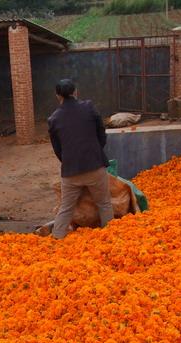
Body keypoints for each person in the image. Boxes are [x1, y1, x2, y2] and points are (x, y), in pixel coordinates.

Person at [47, 79, 113, 239]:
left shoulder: (53, 119)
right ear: (75, 92)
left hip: (70, 173)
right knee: (104, 204)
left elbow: (58, 150)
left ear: (58, 96)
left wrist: (70, 161)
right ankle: (111, 237)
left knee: (66, 208)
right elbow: (101, 133)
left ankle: (56, 239)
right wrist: (96, 151)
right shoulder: (89, 107)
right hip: (95, 167)